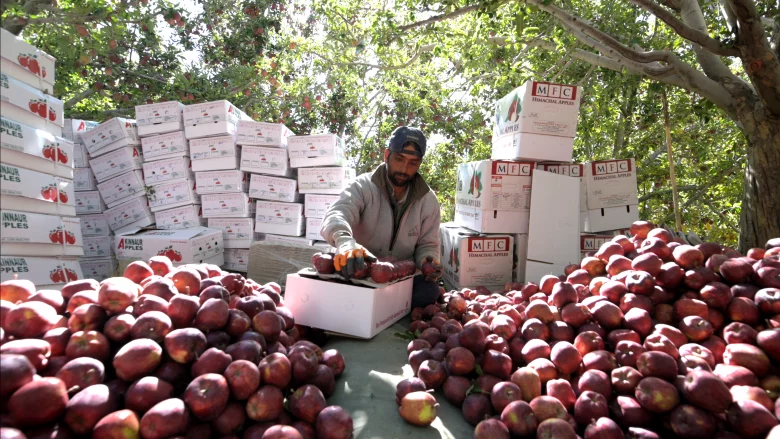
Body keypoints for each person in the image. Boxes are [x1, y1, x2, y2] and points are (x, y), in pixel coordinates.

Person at [320, 126, 443, 308]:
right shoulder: (362, 186)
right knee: (332, 287)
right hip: (360, 270)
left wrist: (428, 261)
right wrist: (345, 243)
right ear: (387, 155)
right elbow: (337, 214)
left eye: (413, 163)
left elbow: (428, 244)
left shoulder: (428, 201)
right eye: (399, 159)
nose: (404, 168)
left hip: (399, 277)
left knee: (429, 292)